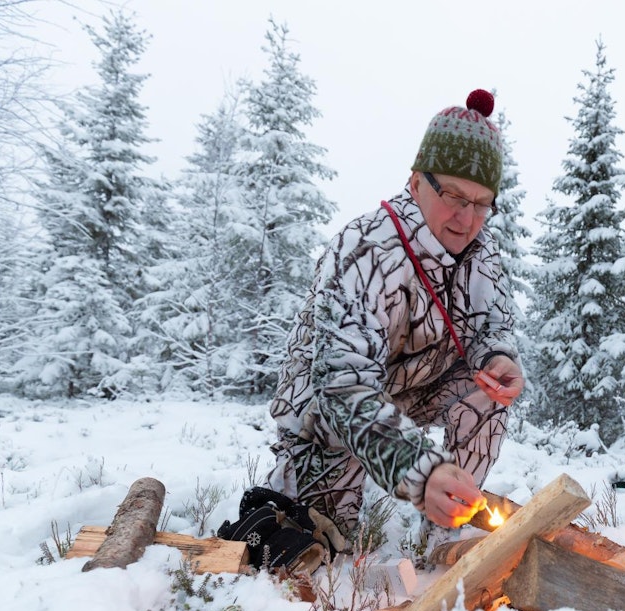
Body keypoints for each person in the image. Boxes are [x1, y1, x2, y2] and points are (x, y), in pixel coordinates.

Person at [218, 89, 524, 572]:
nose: (466, 220)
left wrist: (497, 359)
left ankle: (450, 523)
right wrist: (420, 471)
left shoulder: (483, 256)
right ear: (415, 181)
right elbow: (343, 387)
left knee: (489, 391)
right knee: (323, 544)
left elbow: (492, 324)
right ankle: (301, 481)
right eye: (453, 196)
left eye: (483, 204)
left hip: (411, 394)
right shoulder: (366, 250)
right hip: (328, 414)